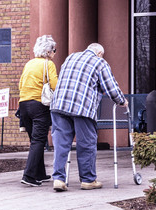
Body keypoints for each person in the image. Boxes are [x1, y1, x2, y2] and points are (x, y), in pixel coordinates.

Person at [50, 42, 127, 192]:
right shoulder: (100, 62)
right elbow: (110, 87)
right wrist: (122, 101)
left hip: (59, 105)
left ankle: (58, 179)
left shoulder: (71, 57)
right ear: (99, 53)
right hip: (82, 107)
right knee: (86, 144)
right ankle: (88, 180)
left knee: (61, 143)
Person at [16, 34, 58, 186]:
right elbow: (54, 84)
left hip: (24, 104)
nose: (54, 53)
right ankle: (29, 176)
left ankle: (40, 173)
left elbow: (21, 83)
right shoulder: (48, 64)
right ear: (48, 52)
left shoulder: (29, 64)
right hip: (39, 105)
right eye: (54, 50)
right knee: (39, 140)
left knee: (35, 140)